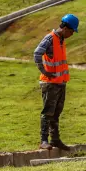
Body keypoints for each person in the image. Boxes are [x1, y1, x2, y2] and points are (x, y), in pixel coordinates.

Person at [34, 14, 79, 151]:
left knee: (56, 113)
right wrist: (44, 71)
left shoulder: (61, 40)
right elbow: (37, 53)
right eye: (71, 31)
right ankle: (43, 140)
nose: (72, 34)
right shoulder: (50, 38)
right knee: (48, 112)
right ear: (65, 28)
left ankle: (55, 139)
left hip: (60, 82)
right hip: (50, 83)